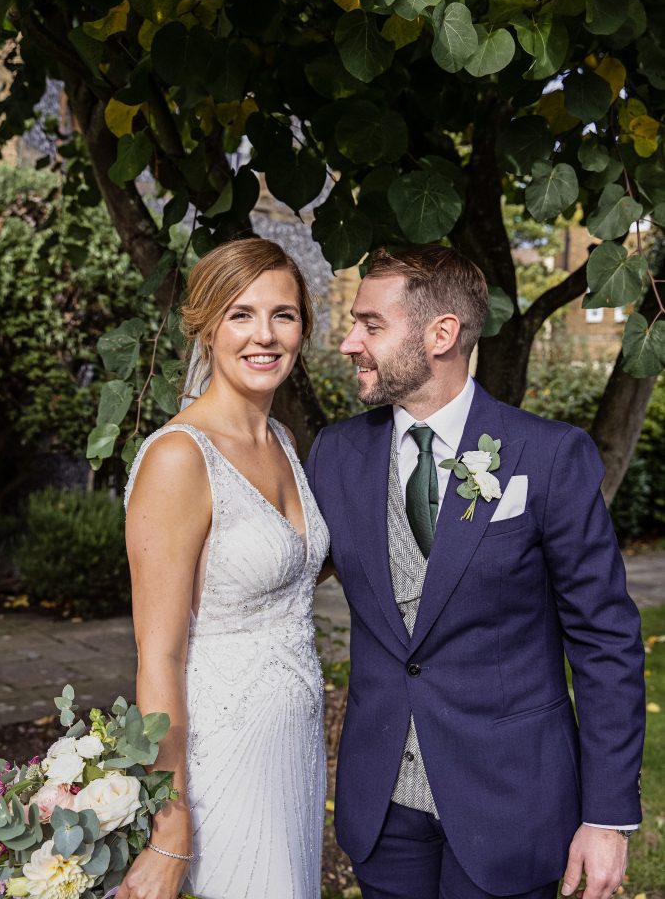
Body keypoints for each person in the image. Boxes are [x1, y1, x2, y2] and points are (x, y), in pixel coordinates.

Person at [305, 245, 645, 899]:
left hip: (511, 802)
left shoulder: (548, 457)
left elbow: (604, 642)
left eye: (370, 325)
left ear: (440, 334)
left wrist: (605, 815)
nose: (348, 343)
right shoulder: (336, 455)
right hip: (383, 809)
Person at [120, 238, 329, 899]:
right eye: (240, 314)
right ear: (205, 328)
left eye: (284, 315)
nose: (264, 335)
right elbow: (157, 658)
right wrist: (170, 821)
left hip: (294, 745)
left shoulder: (282, 441)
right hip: (222, 754)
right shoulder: (179, 457)